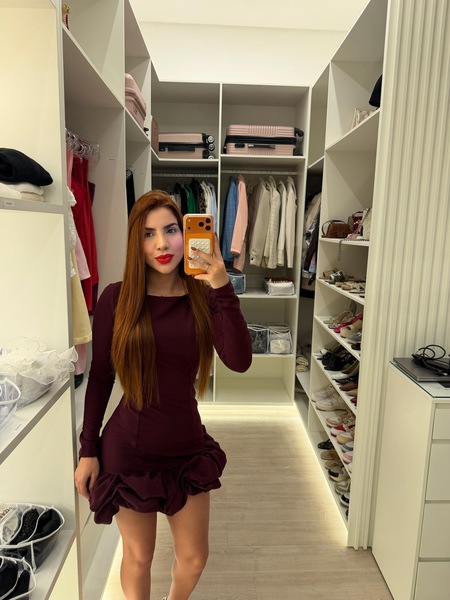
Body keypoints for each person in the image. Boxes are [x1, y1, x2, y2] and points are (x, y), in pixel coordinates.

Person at [74, 190, 252, 600]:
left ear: (185, 235)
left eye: (170, 230)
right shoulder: (117, 298)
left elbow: (240, 361)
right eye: (148, 233)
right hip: (128, 451)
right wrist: (88, 450)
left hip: (187, 447)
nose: (161, 244)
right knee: (139, 557)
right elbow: (100, 377)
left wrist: (222, 285)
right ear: (136, 242)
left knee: (194, 558)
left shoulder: (204, 297)